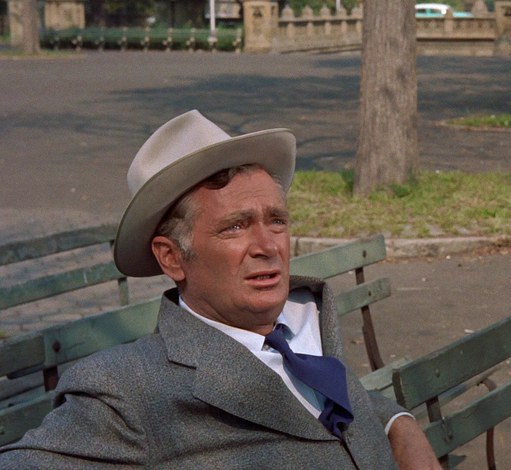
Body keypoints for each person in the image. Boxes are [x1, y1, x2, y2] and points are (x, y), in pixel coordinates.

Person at [0, 110, 440, 469]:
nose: (268, 246)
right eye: (235, 227)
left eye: (276, 221)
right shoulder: (124, 392)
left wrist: (398, 424)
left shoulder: (303, 319)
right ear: (172, 258)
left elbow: (324, 401)